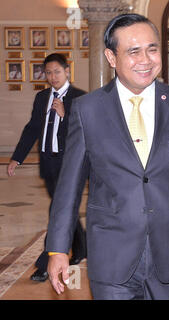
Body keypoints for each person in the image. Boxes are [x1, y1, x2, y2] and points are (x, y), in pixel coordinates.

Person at [46, 13, 169, 300]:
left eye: (152, 49)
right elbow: (68, 187)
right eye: (133, 51)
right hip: (111, 255)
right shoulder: (88, 109)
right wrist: (57, 249)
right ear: (111, 57)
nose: (146, 59)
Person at [7, 53, 87, 282]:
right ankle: (82, 248)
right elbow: (32, 128)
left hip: (70, 165)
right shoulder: (42, 97)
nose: (53, 77)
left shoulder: (80, 98)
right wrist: (17, 158)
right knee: (66, 209)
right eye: (49, 73)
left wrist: (65, 115)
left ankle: (45, 262)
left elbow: (87, 131)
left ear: (67, 71)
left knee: (58, 212)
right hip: (49, 164)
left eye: (57, 72)